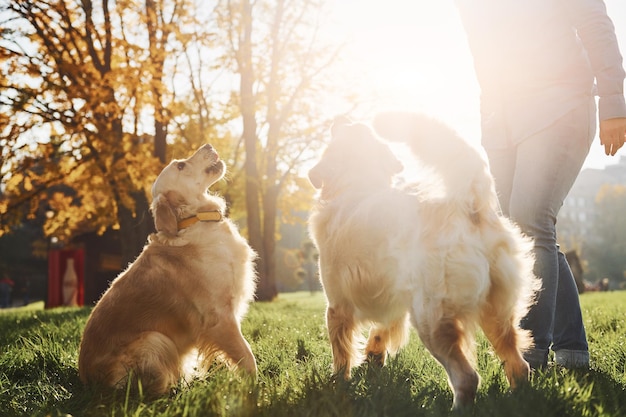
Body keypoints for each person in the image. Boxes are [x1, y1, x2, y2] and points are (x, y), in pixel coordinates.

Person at [455, 0, 626, 369]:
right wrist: (491, 124)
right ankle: (574, 349)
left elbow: (595, 22)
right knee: (526, 229)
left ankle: (529, 352)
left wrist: (613, 100)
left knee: (531, 218)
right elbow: (484, 58)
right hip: (503, 123)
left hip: (560, 103)